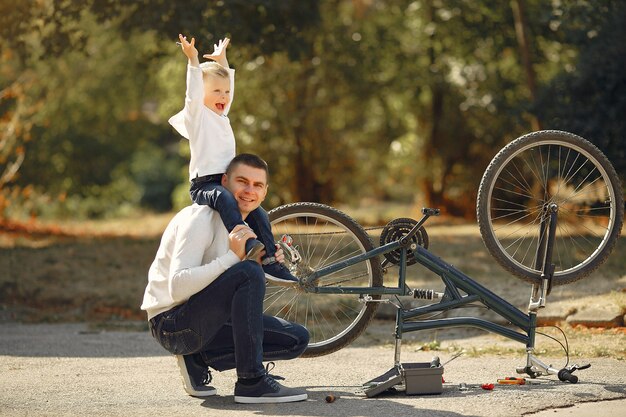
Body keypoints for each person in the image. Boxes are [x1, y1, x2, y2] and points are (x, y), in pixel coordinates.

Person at [140, 154, 309, 404]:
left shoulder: (246, 223)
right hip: (171, 324)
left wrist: (264, 262)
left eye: (257, 185)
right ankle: (251, 382)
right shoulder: (200, 217)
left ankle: (198, 358)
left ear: (265, 193)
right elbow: (177, 288)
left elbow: (232, 287)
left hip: (207, 322)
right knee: (248, 273)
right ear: (224, 182)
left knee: (296, 339)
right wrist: (233, 258)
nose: (249, 191)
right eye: (242, 181)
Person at [168, 33, 296, 284]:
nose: (224, 96)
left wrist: (223, 62)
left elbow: (227, 87)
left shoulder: (221, 116)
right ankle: (247, 242)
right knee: (224, 198)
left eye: (226, 92)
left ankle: (271, 260)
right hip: (205, 185)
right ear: (203, 93)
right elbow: (193, 96)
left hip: (229, 181)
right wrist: (193, 61)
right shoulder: (198, 118)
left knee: (258, 212)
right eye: (216, 91)